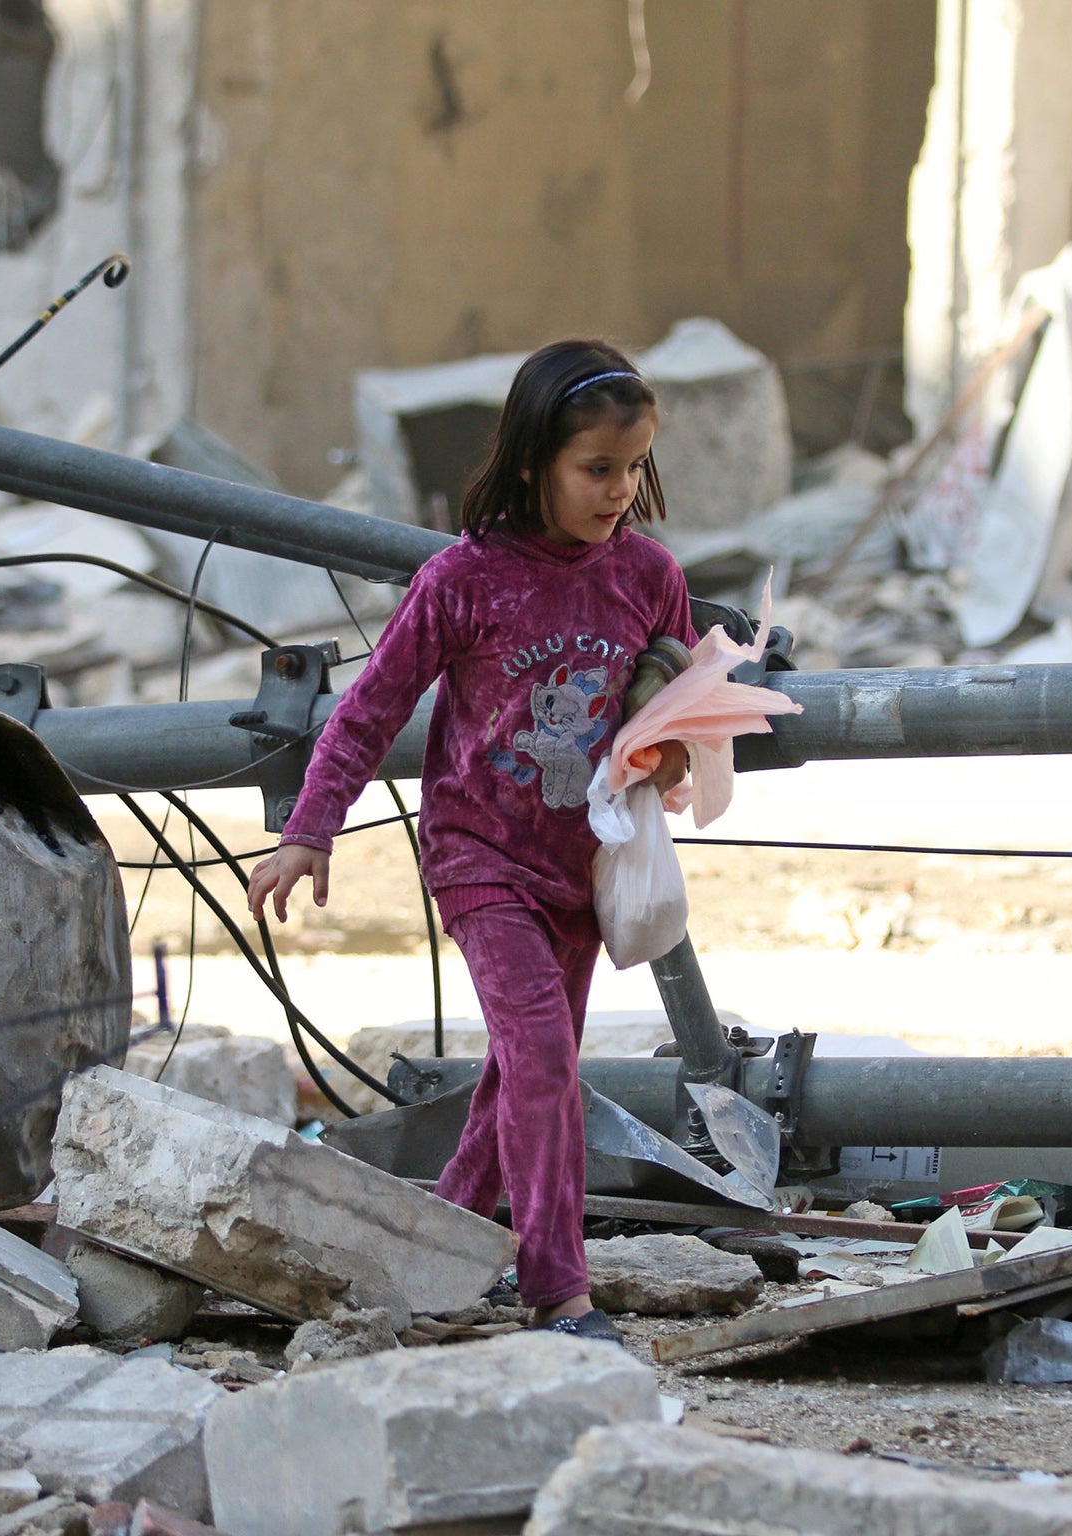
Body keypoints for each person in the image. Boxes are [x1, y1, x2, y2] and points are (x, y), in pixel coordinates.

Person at [247, 338, 696, 1339]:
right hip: (478, 856)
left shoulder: (648, 578)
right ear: (534, 459)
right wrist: (310, 827)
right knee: (539, 1058)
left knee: (515, 1079)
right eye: (595, 469)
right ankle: (557, 1292)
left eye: (633, 467)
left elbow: (675, 711)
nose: (618, 489)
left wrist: (669, 759)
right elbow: (370, 708)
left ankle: (439, 1247)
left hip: (584, 865)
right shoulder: (463, 580)